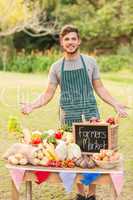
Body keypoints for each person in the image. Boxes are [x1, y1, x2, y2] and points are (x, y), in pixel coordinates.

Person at [21, 25, 128, 200]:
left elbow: (99, 88)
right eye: (66, 39)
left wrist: (116, 104)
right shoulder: (56, 67)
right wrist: (32, 105)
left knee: (94, 156)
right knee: (73, 155)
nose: (70, 42)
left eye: (73, 39)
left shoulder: (90, 62)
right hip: (68, 117)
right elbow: (48, 93)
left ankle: (91, 194)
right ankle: (80, 193)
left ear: (78, 41)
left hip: (91, 116)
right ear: (62, 43)